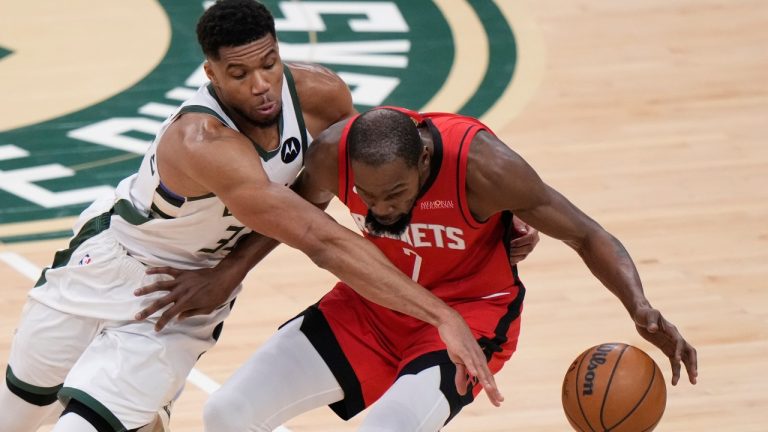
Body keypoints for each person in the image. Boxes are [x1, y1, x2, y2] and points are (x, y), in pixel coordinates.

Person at [0, 2, 525, 431]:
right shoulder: (202, 142)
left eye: (268, 63)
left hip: (182, 294)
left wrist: (489, 214)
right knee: (19, 414)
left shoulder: (320, 95)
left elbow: (374, 171)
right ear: (211, 74)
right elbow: (318, 237)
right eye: (239, 72)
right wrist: (441, 313)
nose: (261, 84)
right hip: (108, 258)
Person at [136, 107, 698, 431]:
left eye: (396, 195)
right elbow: (294, 217)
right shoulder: (332, 153)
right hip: (369, 304)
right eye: (368, 197)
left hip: (468, 319)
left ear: (425, 161)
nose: (381, 211)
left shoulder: (485, 167)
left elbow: (586, 233)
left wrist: (640, 309)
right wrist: (224, 275)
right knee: (227, 413)